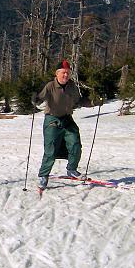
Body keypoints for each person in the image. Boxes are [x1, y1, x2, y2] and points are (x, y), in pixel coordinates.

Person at [35, 59, 83, 189]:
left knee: (75, 144)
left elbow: (79, 100)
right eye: (63, 73)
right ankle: (43, 176)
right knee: (50, 149)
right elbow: (40, 98)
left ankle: (72, 169)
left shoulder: (72, 86)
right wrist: (36, 99)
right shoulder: (50, 86)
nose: (66, 75)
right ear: (57, 73)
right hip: (52, 119)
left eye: (68, 73)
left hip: (67, 118)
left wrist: (94, 101)